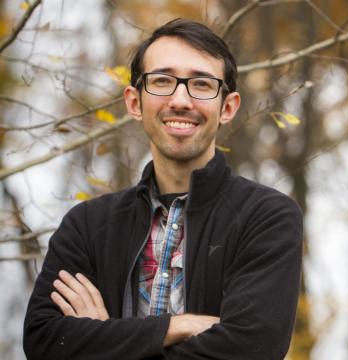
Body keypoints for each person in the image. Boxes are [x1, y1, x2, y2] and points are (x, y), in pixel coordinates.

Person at [23, 18, 303, 360]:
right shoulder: (87, 225)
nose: (181, 99)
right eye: (162, 81)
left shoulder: (265, 217)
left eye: (201, 84)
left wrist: (103, 338)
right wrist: (178, 326)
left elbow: (250, 350)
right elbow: (44, 342)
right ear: (134, 102)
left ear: (227, 107)